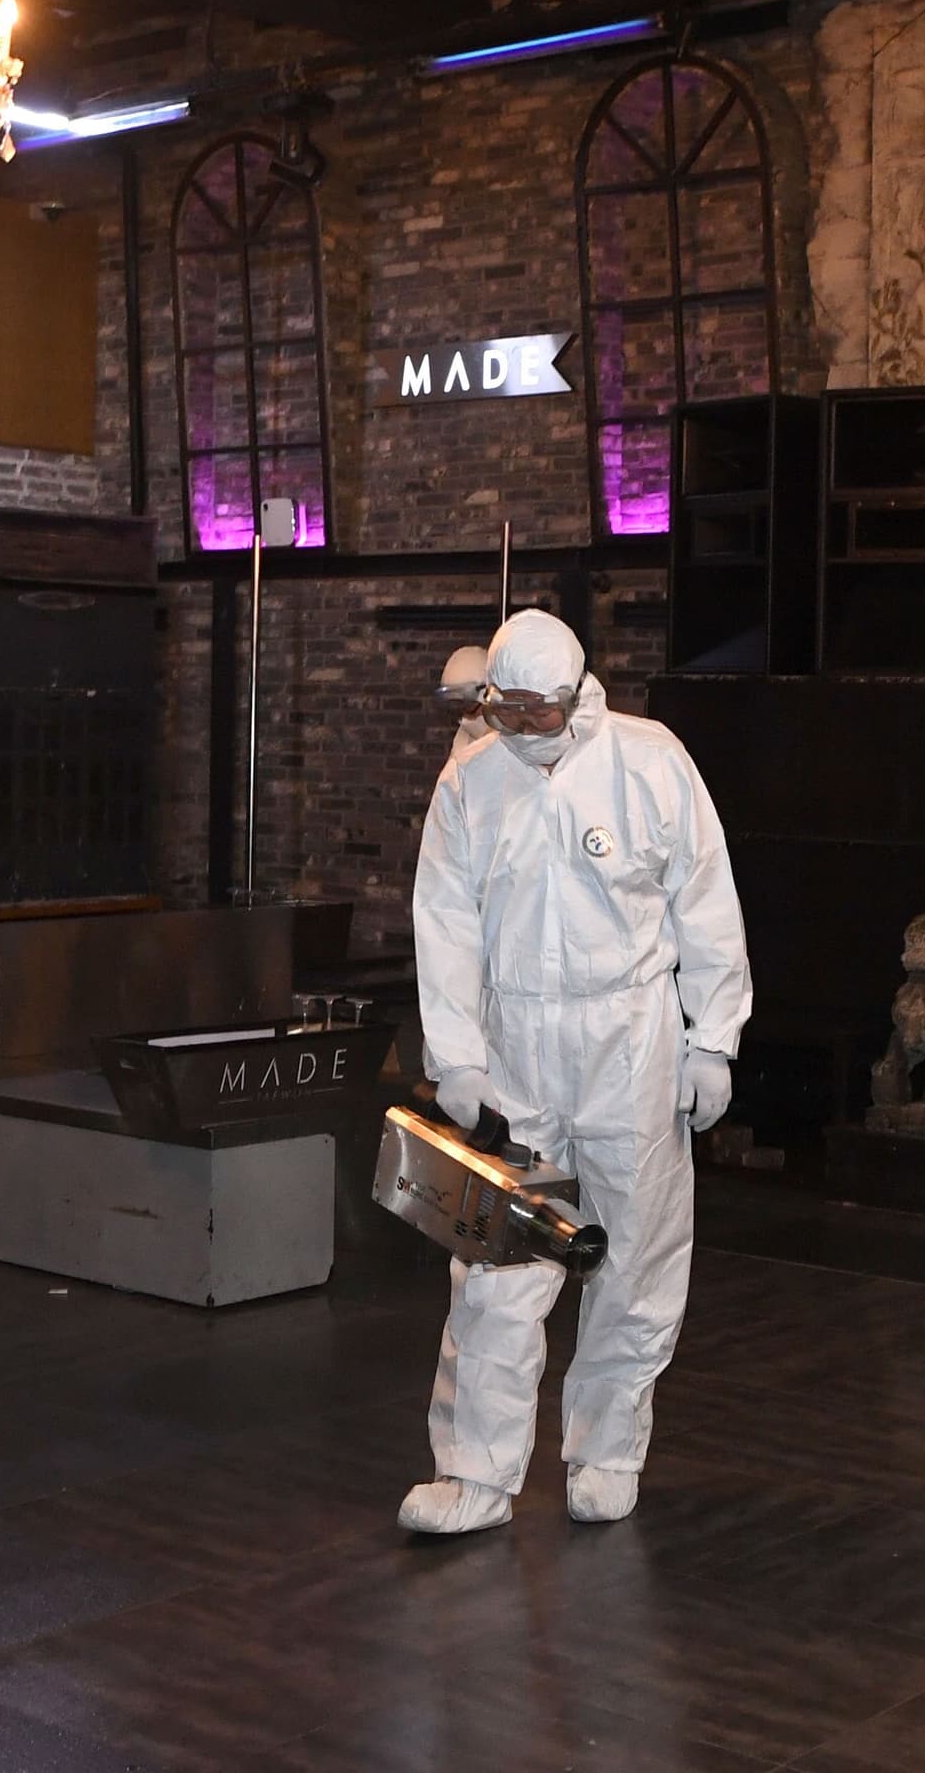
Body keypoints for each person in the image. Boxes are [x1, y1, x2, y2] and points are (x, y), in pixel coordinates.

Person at [399, 609, 750, 1534]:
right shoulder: (471, 781)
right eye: (508, 709)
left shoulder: (650, 761)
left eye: (539, 710)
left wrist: (713, 1038)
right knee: (497, 1265)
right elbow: (444, 922)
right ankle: (475, 1473)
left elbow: (705, 899)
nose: (525, 725)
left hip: (628, 1040)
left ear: (573, 693)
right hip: (518, 1047)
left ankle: (605, 1452)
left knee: (634, 1257)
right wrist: (459, 1055)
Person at [441, 643, 493, 753]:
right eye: (457, 707)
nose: (465, 718)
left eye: (468, 706)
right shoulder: (463, 738)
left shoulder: (519, 744)